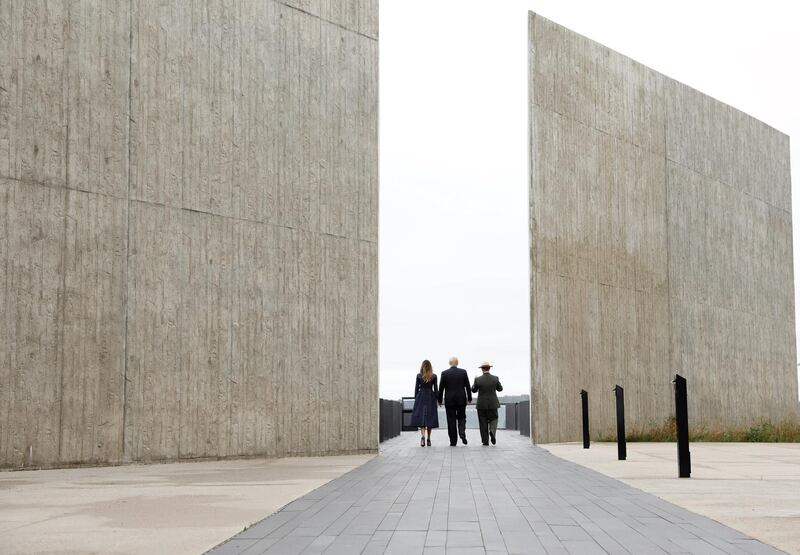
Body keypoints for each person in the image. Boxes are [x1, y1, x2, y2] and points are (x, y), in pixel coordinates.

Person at [437, 356, 472, 446]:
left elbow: (441, 388)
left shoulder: (444, 373)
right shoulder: (463, 372)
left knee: (451, 420)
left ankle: (453, 441)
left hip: (449, 400)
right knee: (462, 417)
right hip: (461, 399)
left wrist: (439, 400)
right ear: (457, 363)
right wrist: (469, 398)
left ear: (449, 363)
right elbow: (468, 386)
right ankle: (462, 432)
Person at [472, 361, 503, 446]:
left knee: (483, 423)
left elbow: (473, 390)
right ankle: (492, 431)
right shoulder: (495, 378)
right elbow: (500, 389)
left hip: (481, 405)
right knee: (494, 418)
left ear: (482, 369)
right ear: (489, 368)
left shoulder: (478, 379)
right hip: (493, 404)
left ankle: (485, 441)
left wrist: (474, 382)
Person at [410, 360, 439, 446]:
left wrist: (416, 398)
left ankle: (423, 436)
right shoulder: (434, 376)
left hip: (421, 396)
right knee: (430, 418)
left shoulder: (419, 376)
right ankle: (428, 438)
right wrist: (438, 399)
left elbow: (416, 389)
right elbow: (436, 389)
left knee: (422, 417)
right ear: (430, 367)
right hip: (430, 397)